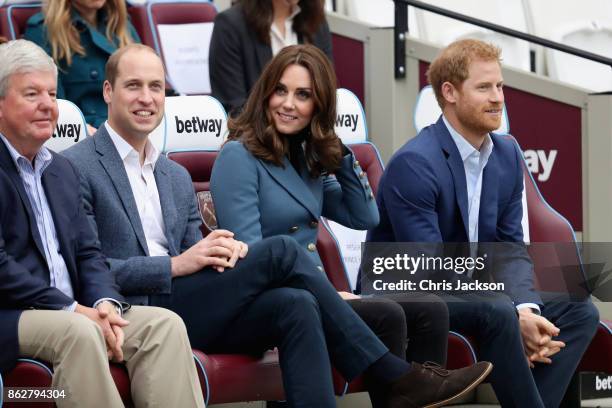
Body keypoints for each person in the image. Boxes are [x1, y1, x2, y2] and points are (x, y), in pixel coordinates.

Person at [63, 43, 493, 408]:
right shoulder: (76, 167)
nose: (146, 97)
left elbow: (365, 216)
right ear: (107, 91)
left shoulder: (172, 173)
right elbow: (89, 269)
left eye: (155, 87)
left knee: (295, 305)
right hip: (139, 309)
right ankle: (394, 375)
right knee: (283, 254)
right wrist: (175, 265)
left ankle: (398, 378)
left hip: (197, 300)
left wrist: (214, 251)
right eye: (133, 86)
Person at [209, 43, 473, 407]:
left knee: (428, 308)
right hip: (273, 298)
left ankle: (424, 387)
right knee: (385, 313)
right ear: (265, 93)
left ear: (318, 107)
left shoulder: (303, 156)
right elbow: (254, 256)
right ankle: (407, 384)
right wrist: (328, 293)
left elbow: (365, 216)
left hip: (313, 290)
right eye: (280, 91)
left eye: (303, 95)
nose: (288, 103)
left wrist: (338, 152)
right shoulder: (238, 156)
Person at [367, 38, 600, 407]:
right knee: (496, 311)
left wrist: (525, 310)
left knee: (578, 309)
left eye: (500, 86)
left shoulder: (506, 153)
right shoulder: (415, 164)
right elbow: (429, 269)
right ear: (450, 93)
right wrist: (509, 313)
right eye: (484, 88)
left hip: (479, 291)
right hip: (413, 293)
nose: (498, 98)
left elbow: (509, 247)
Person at [0, 39, 203, 408]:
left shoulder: (59, 170)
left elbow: (89, 254)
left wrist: (105, 303)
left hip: (74, 309)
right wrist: (73, 309)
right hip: (13, 314)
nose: (48, 105)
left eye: (51, 93)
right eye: (32, 94)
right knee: (79, 332)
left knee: (164, 325)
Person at [24, 0, 140, 129]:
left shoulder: (121, 24)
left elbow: (146, 82)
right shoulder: (43, 30)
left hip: (132, 124)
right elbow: (53, 105)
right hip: (84, 131)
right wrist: (82, 128)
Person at [210, 0, 332, 114]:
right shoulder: (231, 25)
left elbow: (326, 92)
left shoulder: (316, 22)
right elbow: (234, 107)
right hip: (255, 133)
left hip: (308, 132)